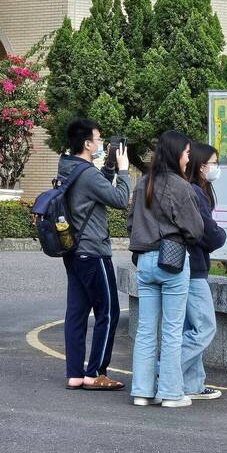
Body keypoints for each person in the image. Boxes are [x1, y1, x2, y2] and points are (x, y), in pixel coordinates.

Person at [128, 131, 204, 408]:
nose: (188, 158)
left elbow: (130, 223)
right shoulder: (179, 186)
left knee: (146, 330)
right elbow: (195, 229)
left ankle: (142, 391)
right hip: (171, 261)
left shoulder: (143, 183)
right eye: (186, 153)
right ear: (176, 155)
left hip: (145, 261)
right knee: (172, 331)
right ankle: (171, 393)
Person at [60, 117, 131, 391]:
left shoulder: (69, 168)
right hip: (93, 251)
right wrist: (123, 171)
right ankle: (96, 372)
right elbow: (119, 200)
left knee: (76, 313)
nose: (102, 144)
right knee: (110, 311)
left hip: (74, 250)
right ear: (88, 144)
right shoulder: (87, 174)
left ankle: (75, 374)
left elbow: (95, 190)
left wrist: (109, 168)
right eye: (99, 140)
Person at [182, 142, 227, 400]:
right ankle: (162, 370)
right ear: (201, 167)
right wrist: (221, 234)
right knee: (205, 328)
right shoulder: (195, 193)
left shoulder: (198, 191)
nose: (216, 168)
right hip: (193, 269)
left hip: (192, 267)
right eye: (213, 163)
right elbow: (208, 233)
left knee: (191, 327)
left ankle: (193, 384)